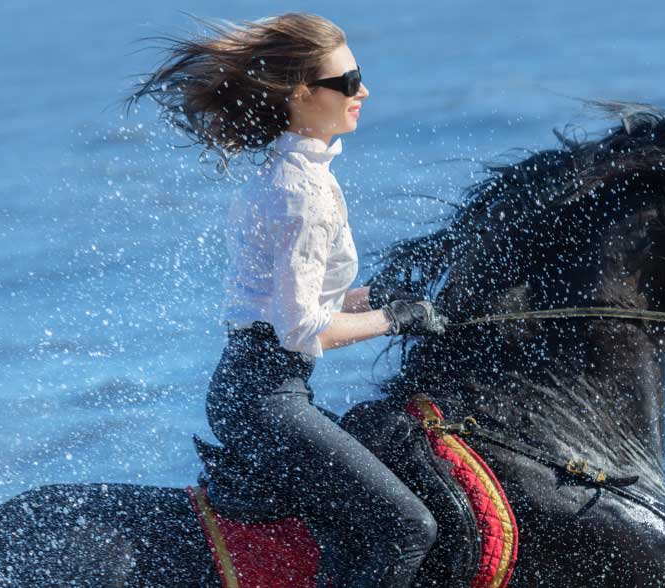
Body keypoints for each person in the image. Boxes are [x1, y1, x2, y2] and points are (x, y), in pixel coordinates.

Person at [124, 12, 446, 587]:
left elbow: (295, 304)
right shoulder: (301, 191)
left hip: (256, 387)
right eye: (348, 83)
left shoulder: (296, 171)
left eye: (360, 76)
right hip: (266, 398)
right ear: (302, 94)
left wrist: (381, 297)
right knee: (406, 528)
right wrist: (393, 320)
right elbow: (303, 330)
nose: (363, 91)